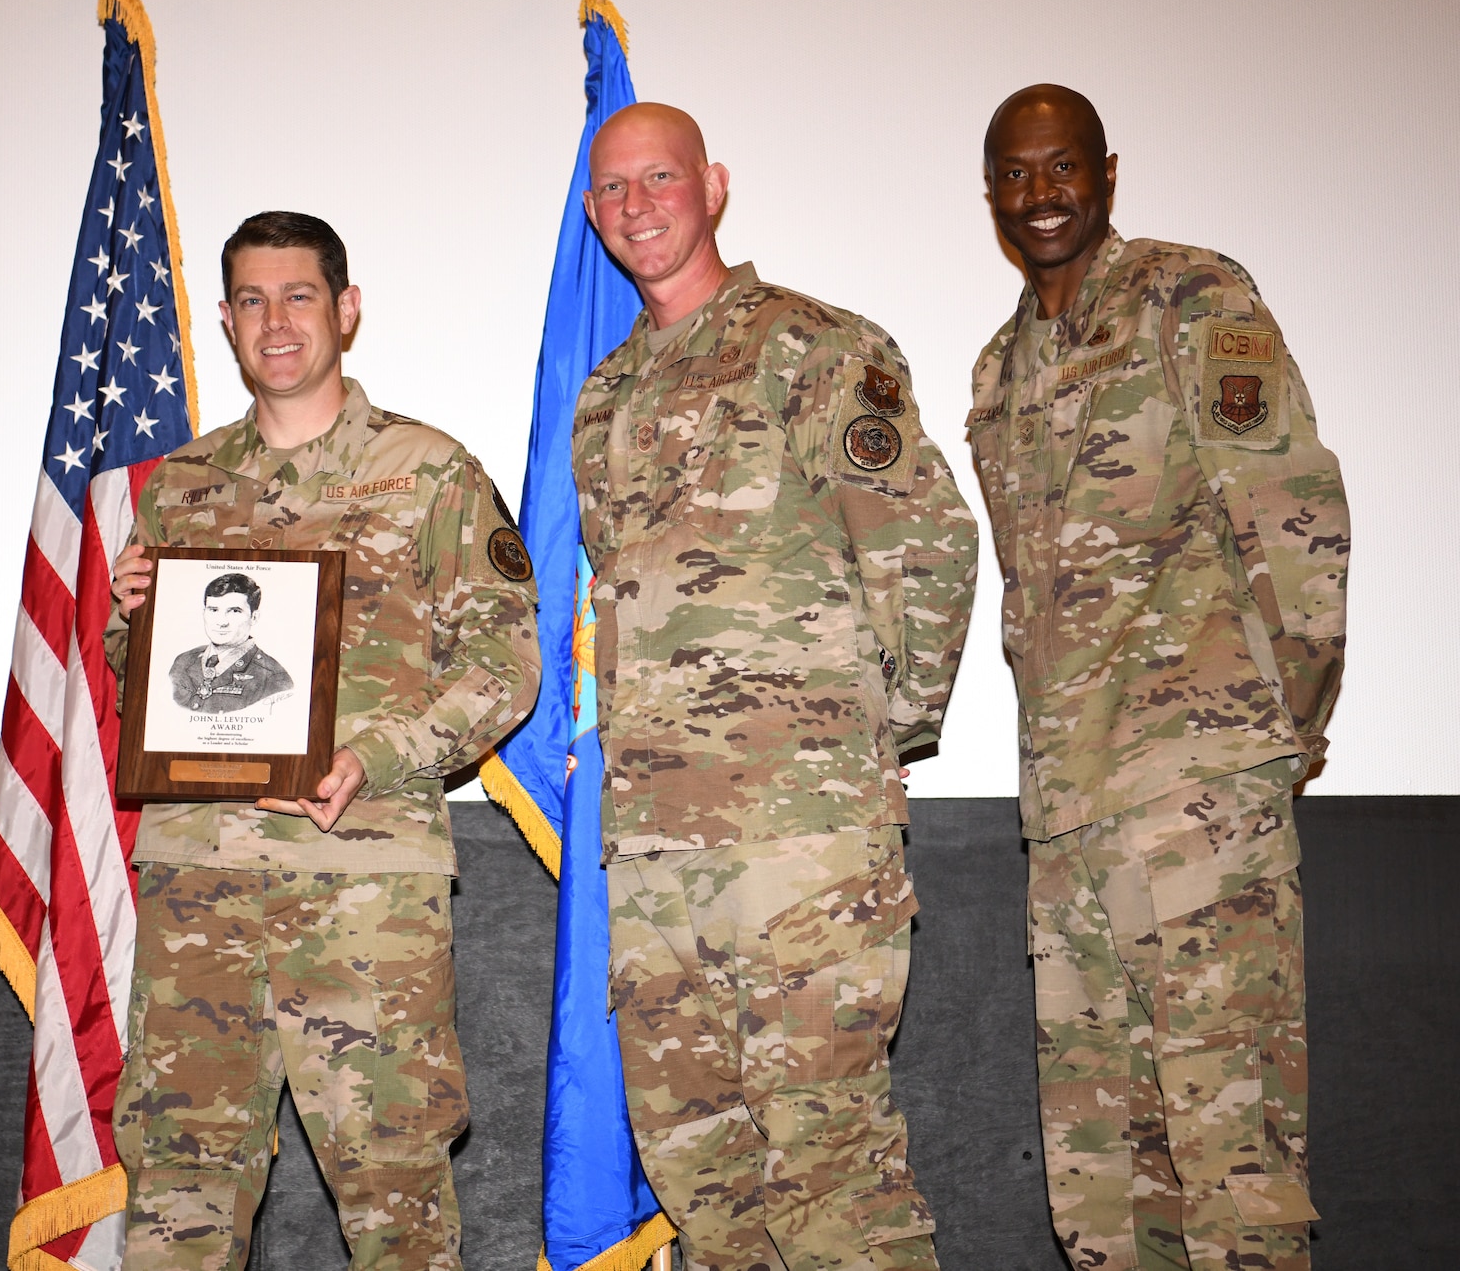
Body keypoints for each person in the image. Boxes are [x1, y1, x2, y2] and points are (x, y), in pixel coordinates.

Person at [571, 103, 978, 1270]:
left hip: (801, 841)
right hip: (657, 856)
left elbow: (927, 550)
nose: (634, 205)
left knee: (828, 1164)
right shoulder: (604, 398)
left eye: (658, 178)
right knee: (699, 1167)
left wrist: (863, 751)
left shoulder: (814, 348)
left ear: (714, 185)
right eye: (611, 190)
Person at [106, 211, 541, 1268]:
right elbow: (148, 695)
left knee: (394, 1188)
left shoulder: (429, 471)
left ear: (345, 309)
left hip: (364, 890)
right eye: (250, 301)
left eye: (298, 295)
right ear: (223, 320)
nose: (276, 321)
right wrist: (132, 620)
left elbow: (505, 665)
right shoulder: (179, 486)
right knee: (178, 1186)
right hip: (197, 884)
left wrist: (374, 756)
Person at [970, 84, 1346, 1270]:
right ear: (990, 196)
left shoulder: (1192, 296)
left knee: (1233, 1163)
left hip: (1196, 795)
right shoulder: (995, 374)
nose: (1041, 194)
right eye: (1016, 175)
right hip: (1067, 824)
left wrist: (1284, 722)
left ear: (1106, 173)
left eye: (1061, 166)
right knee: (1102, 1180)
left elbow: (1290, 511)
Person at [167, 572, 296, 713]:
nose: (221, 622)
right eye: (213, 610)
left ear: (254, 617)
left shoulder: (274, 678)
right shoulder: (183, 662)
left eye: (234, 611)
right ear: (203, 612)